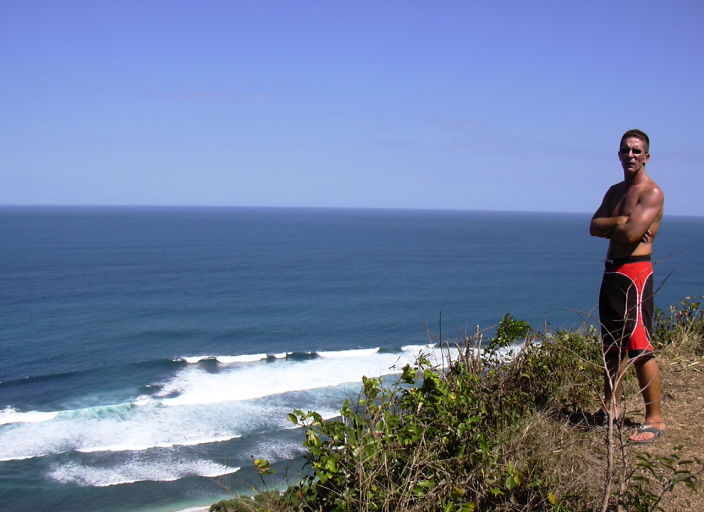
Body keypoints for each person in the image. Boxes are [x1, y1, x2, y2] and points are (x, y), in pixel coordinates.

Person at [589, 129, 665, 443]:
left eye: (636, 151)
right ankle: (611, 406)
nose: (630, 155)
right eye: (625, 150)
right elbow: (594, 226)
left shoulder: (652, 193)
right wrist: (620, 223)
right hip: (612, 272)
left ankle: (655, 419)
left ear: (646, 156)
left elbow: (633, 236)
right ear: (619, 154)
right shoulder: (614, 191)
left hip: (635, 273)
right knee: (612, 346)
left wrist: (622, 226)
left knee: (639, 347)